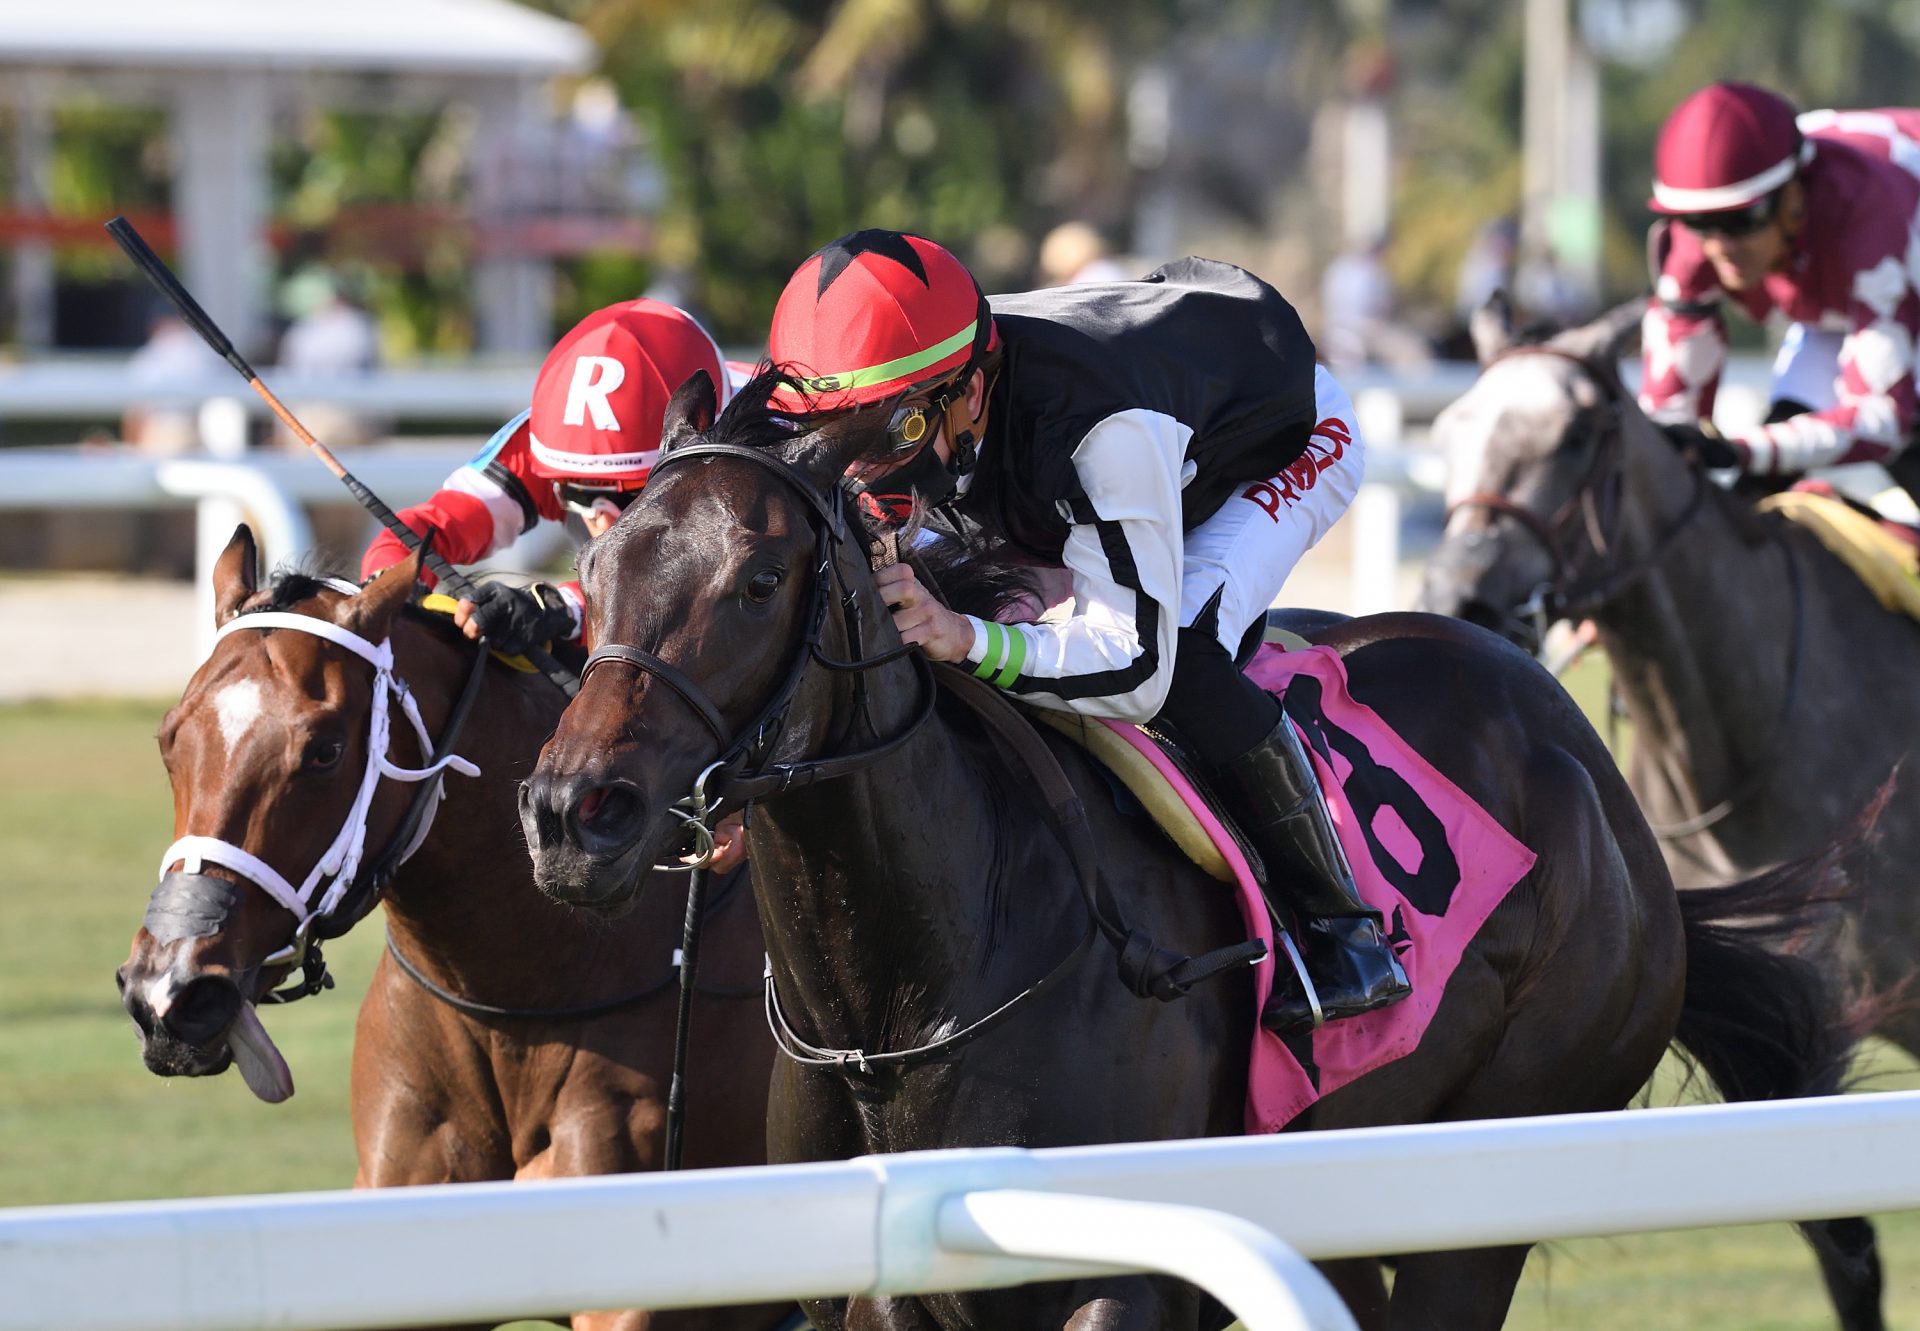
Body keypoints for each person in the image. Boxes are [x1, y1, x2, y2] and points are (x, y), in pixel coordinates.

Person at [764, 229, 1409, 1034]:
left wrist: (968, 639)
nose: (865, 473)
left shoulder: (1101, 424)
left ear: (969, 392)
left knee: (1184, 650)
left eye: (888, 435)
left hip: (1283, 442)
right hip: (1065, 459)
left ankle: (1341, 926)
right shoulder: (938, 397)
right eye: (839, 437)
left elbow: (1135, 664)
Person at [361, 297, 745, 865]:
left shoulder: (755, 437)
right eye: (577, 493)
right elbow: (412, 540)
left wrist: (561, 605)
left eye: (631, 495)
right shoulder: (563, 438)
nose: (599, 519)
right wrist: (417, 599)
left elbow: (711, 600)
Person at [1640, 81, 1920, 499]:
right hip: (1851, 307)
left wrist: (1743, 449)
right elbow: (1668, 430)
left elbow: (1883, 422)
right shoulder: (1693, 245)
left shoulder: (1867, 216)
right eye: (1699, 222)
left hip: (1900, 261)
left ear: (1793, 195)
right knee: (1753, 496)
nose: (1720, 246)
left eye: (1742, 219)